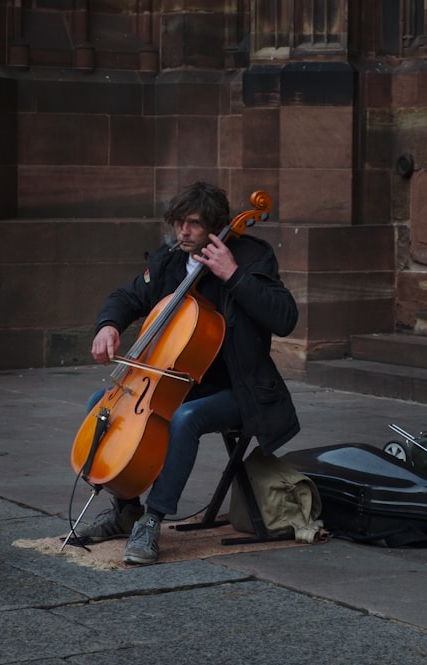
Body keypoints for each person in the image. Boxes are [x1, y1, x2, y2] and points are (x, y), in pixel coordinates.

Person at [76, 181, 300, 564]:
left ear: (216, 225)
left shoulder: (249, 256)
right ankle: (126, 507)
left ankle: (153, 519)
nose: (183, 231)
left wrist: (234, 275)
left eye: (193, 223)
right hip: (182, 381)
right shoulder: (170, 260)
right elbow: (127, 296)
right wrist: (108, 325)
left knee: (185, 418)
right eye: (179, 222)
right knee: (102, 403)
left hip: (240, 388)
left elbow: (285, 318)